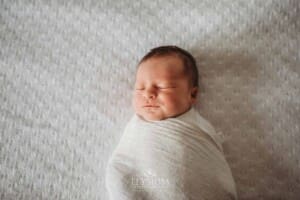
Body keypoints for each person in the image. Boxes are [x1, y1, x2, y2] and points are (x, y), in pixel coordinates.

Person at [106, 45, 237, 200]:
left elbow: (209, 169)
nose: (148, 93)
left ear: (192, 94)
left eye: (163, 87)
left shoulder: (197, 128)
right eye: (140, 88)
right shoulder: (135, 129)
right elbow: (125, 164)